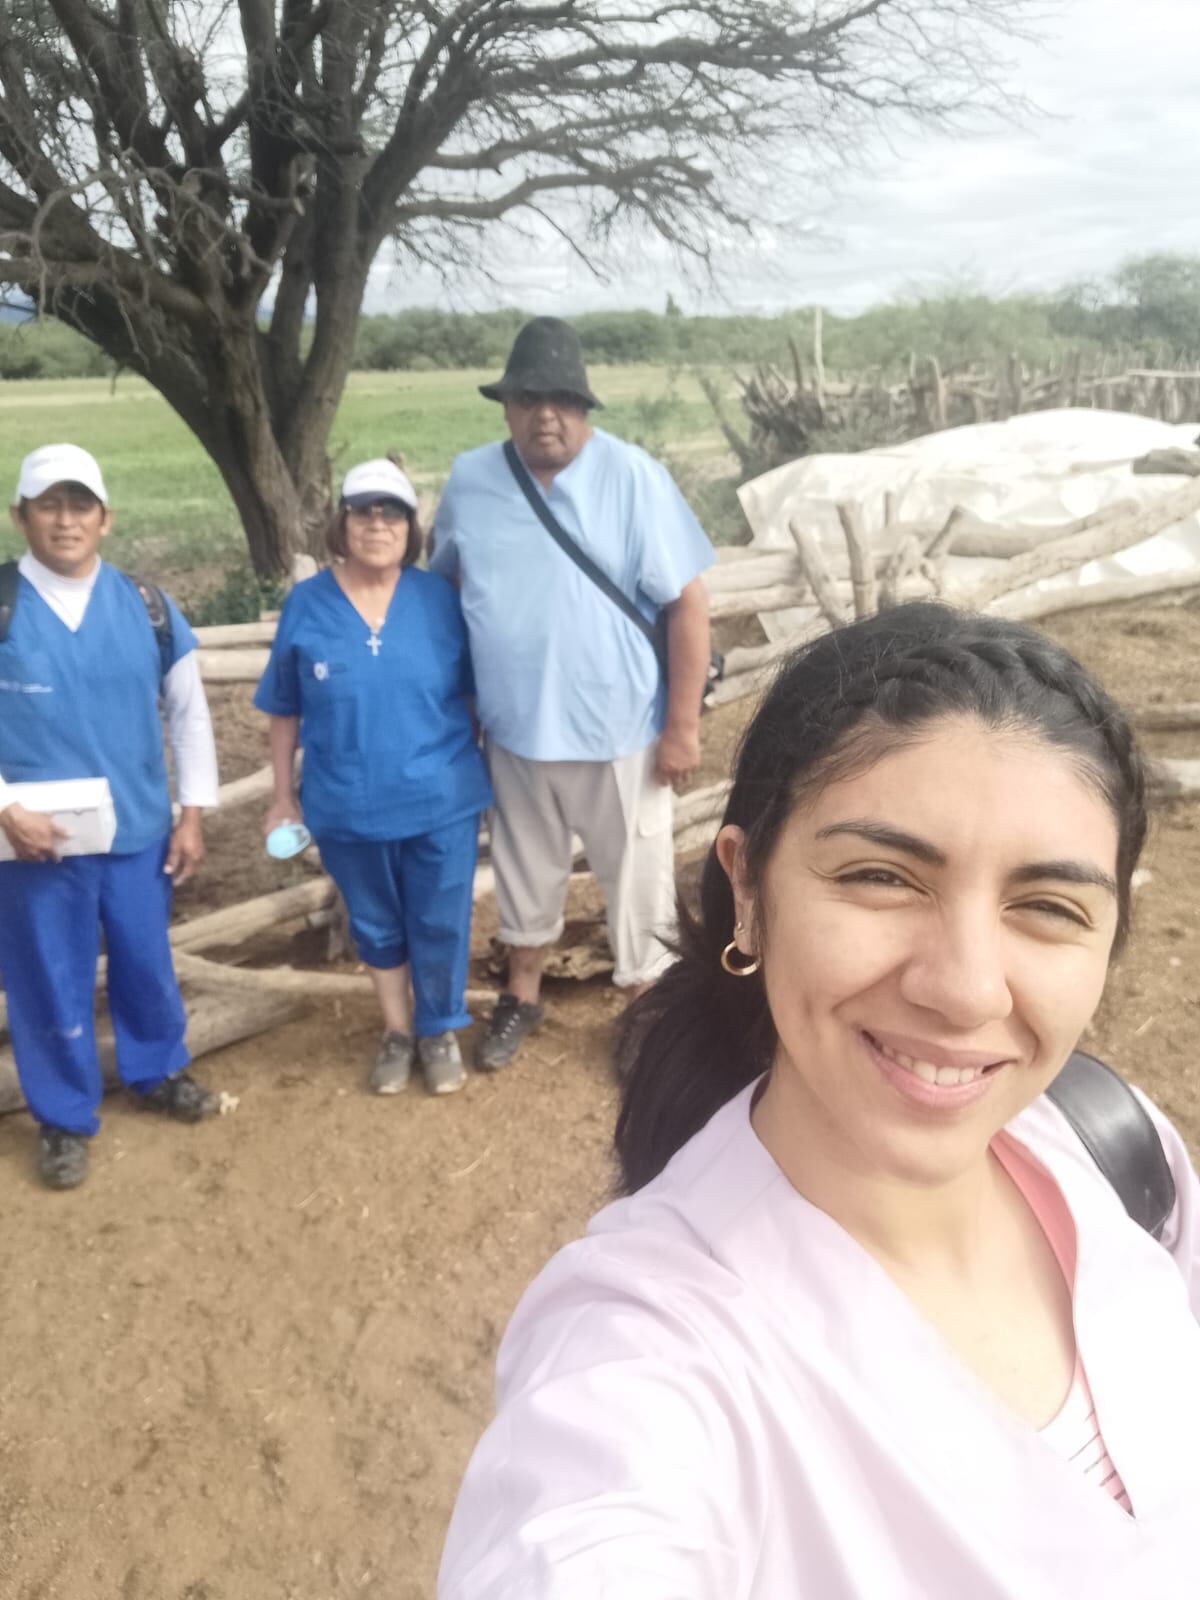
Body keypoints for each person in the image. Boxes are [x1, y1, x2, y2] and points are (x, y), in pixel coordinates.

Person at [440, 603, 1200, 1597]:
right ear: (748, 890)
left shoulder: (1113, 1141)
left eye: (1048, 907)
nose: (967, 986)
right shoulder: (647, 1351)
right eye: (882, 876)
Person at [431, 316, 714, 1070]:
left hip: (624, 730)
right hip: (515, 730)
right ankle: (521, 998)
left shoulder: (633, 476)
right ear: (506, 407)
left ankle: (644, 1017)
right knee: (525, 875)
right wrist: (459, 703)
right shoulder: (471, 480)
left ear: (584, 407)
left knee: (638, 885)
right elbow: (446, 591)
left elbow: (687, 605)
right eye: (528, 398)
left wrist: (681, 725)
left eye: (561, 399)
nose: (544, 414)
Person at [0, 444, 221, 1191]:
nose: (66, 520)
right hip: (30, 845)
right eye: (48, 505)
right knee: (46, 977)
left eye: (80, 505)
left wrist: (192, 814)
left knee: (144, 960)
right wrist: (5, 808)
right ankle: (63, 1116)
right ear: (19, 515)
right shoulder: (3, 606)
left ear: (106, 517)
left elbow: (189, 719)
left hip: (135, 831)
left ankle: (156, 1070)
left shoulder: (149, 608)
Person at [255, 459, 491, 1096]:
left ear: (411, 528)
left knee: (441, 918)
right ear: (343, 522)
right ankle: (396, 1029)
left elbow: (470, 695)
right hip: (346, 803)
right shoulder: (307, 605)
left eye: (392, 513)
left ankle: (438, 1028)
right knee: (376, 922)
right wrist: (282, 797)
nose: (377, 524)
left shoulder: (437, 599)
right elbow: (283, 710)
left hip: (439, 796)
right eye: (364, 511)